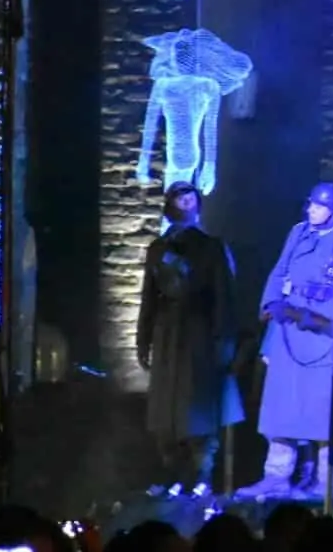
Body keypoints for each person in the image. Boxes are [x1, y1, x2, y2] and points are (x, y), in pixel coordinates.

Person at [237, 183, 333, 500]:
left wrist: (317, 316)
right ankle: (276, 475)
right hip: (290, 334)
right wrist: (271, 303)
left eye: (318, 206)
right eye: (310, 204)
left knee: (325, 413)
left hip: (323, 337)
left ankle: (327, 480)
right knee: (282, 407)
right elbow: (279, 271)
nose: (311, 210)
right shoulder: (298, 232)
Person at [137, 182, 243, 496]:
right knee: (165, 411)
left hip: (198, 333)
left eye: (190, 197)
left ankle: (202, 476)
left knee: (197, 408)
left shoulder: (210, 247)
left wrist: (224, 340)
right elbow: (149, 297)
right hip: (167, 333)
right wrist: (143, 340)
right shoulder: (158, 248)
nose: (185, 202)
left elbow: (223, 295)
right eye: (179, 198)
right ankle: (173, 473)